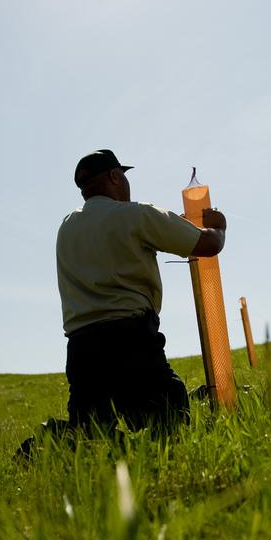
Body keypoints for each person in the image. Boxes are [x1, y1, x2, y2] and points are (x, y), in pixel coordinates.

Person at [56, 149, 227, 434]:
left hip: (81, 349)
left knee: (91, 434)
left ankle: (53, 441)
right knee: (167, 419)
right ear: (114, 176)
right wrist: (219, 227)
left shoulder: (67, 227)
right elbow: (208, 245)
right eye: (123, 175)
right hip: (128, 339)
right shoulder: (136, 215)